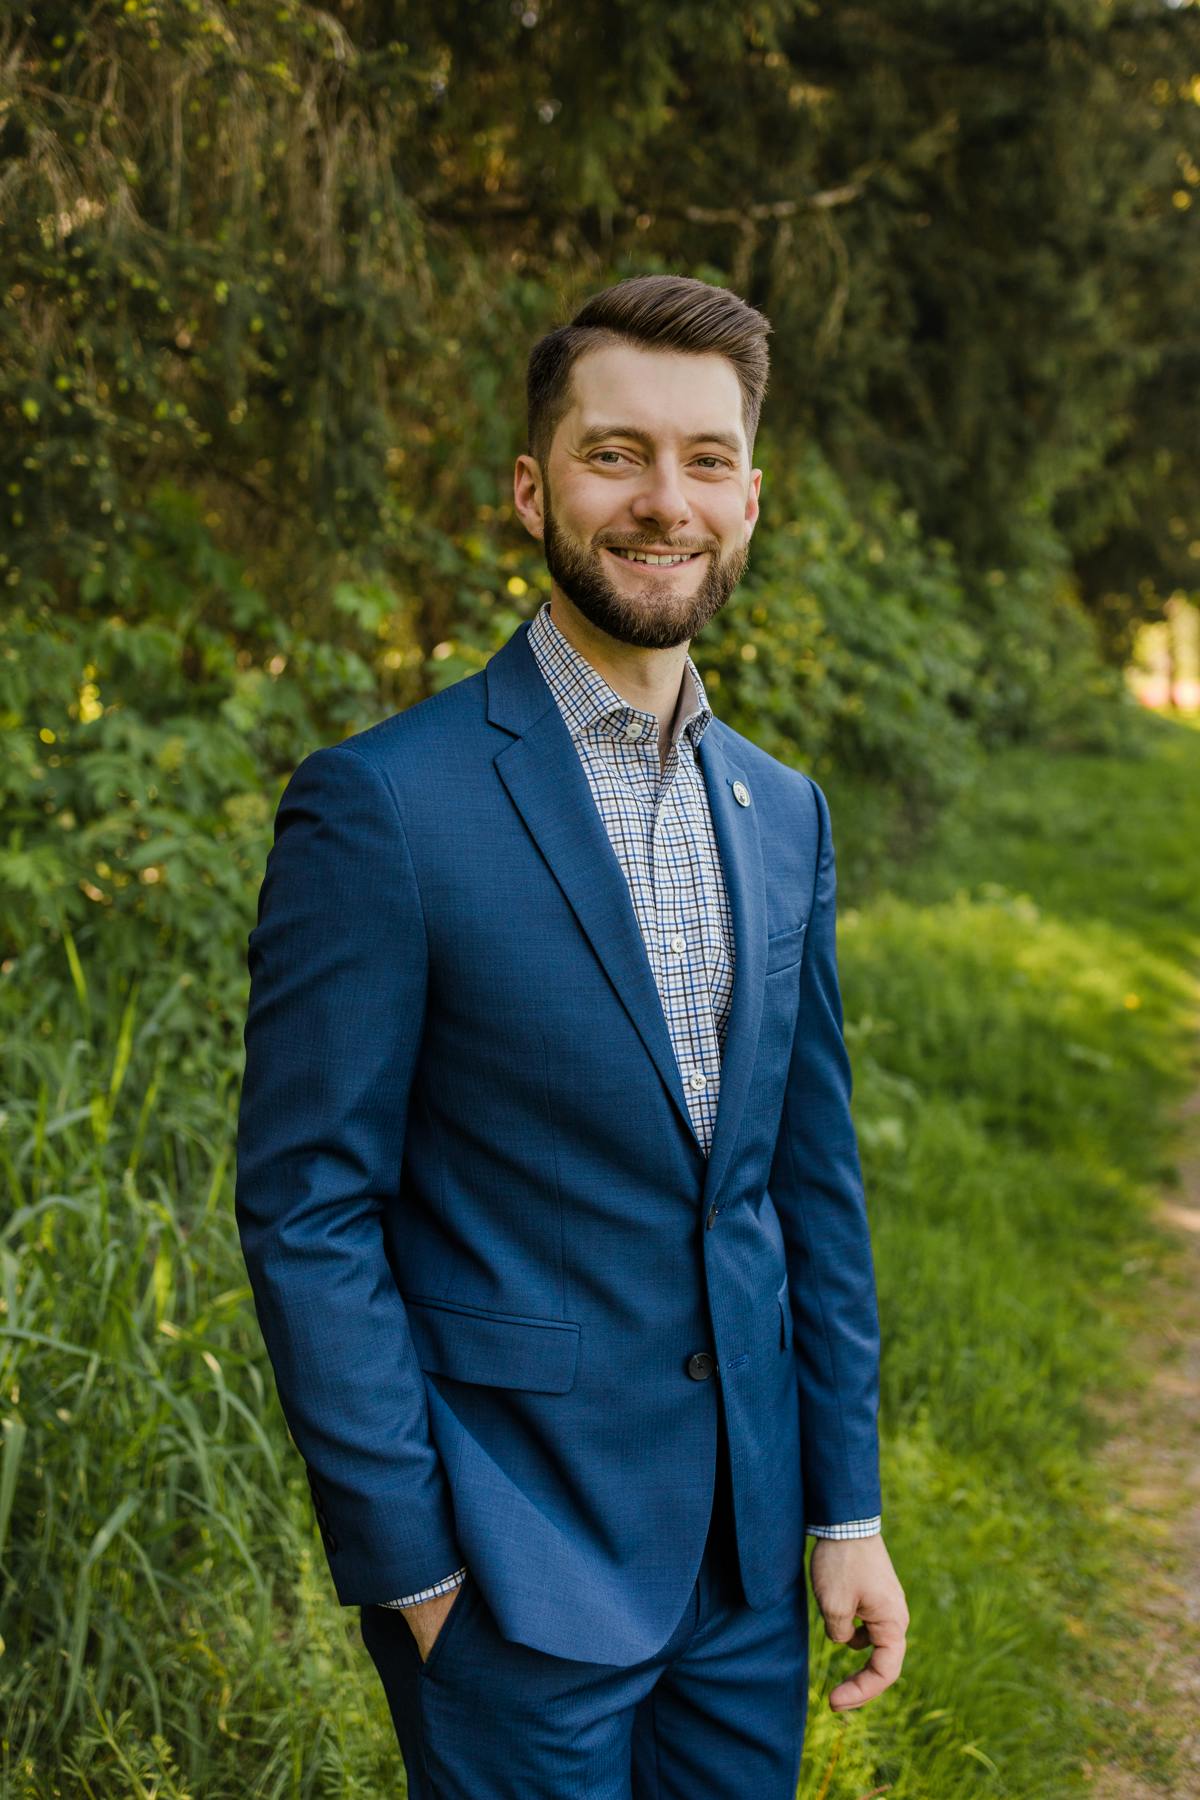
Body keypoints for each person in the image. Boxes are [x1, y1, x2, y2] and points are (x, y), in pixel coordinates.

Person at [234, 273, 908, 1799]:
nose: (663, 500)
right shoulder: (387, 805)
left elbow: (808, 1190)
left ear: (751, 500)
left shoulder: (784, 812)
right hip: (508, 1574)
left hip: (744, 1574)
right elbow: (308, 1207)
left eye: (706, 459)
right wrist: (411, 1569)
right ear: (531, 490)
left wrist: (842, 1512)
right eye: (617, 454)